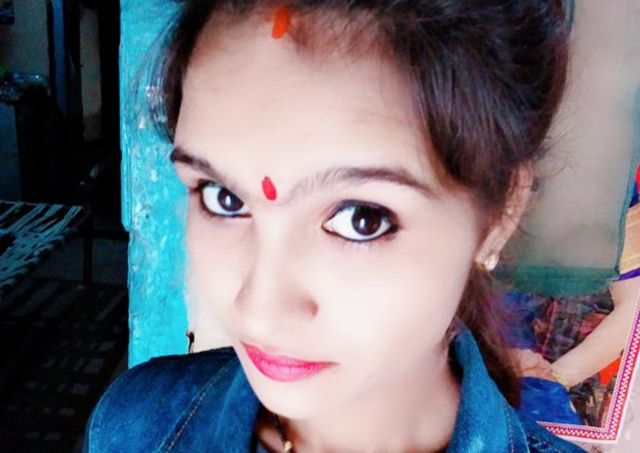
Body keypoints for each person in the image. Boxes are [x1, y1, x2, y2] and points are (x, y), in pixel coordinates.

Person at [85, 1, 588, 451]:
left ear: (500, 214)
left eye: (360, 219)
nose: (260, 311)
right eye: (224, 198)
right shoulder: (138, 425)